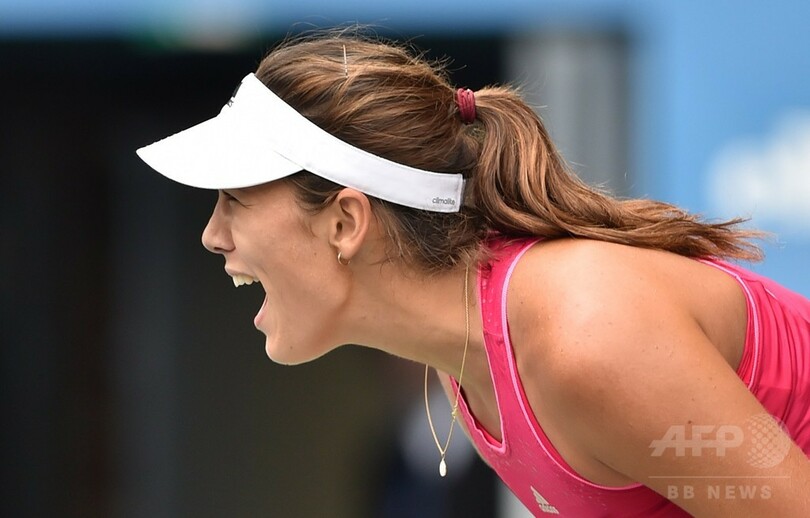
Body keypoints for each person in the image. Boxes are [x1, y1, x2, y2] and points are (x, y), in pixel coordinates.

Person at [136, 31, 810, 517]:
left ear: (345, 222)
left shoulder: (583, 337)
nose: (212, 235)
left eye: (235, 199)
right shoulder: (472, 367)